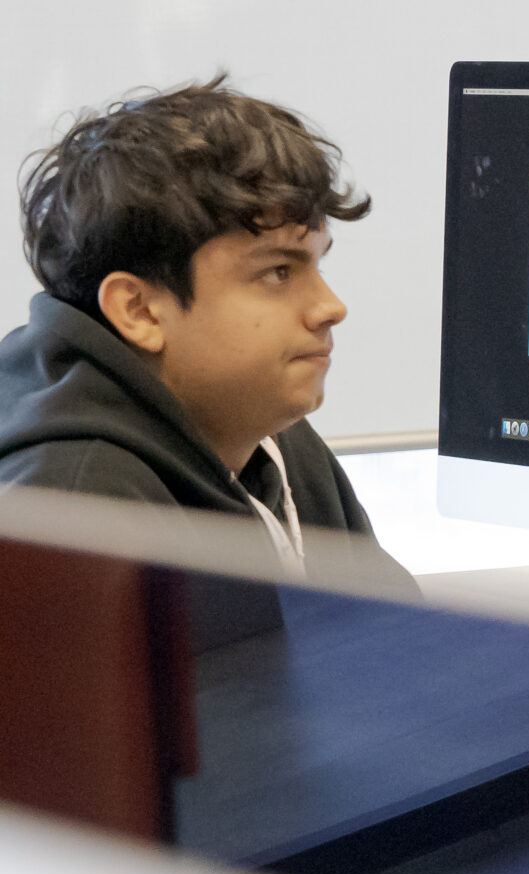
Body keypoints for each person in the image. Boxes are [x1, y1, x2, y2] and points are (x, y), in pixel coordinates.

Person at [0, 79, 398, 580]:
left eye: (317, 265)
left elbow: (393, 624)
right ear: (140, 311)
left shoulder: (263, 430)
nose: (330, 308)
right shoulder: (74, 513)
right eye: (278, 272)